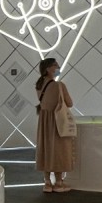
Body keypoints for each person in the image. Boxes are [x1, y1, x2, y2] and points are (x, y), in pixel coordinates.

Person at [35, 56, 75, 193]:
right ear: (48, 69)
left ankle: (47, 182)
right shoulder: (59, 85)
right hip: (57, 121)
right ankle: (58, 182)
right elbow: (70, 103)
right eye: (56, 65)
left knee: (46, 148)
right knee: (59, 149)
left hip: (44, 121)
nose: (58, 67)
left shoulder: (39, 85)